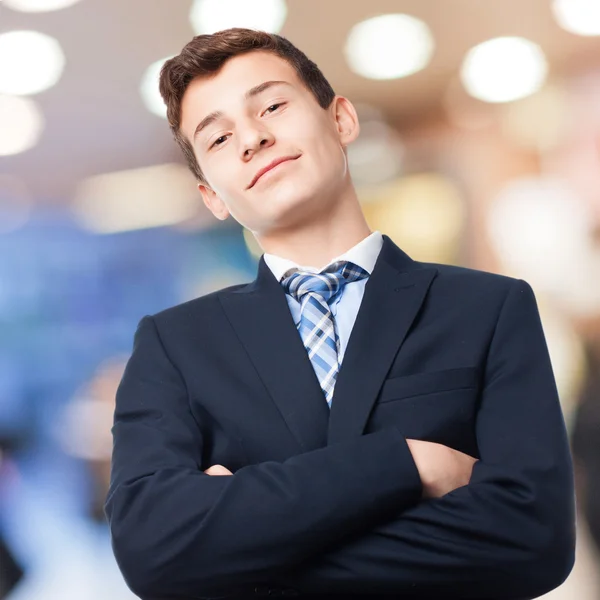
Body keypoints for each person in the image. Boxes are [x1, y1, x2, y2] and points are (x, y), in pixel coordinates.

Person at [105, 27, 576, 600]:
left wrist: (243, 552)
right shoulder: (175, 346)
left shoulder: (488, 308)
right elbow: (154, 553)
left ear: (341, 120)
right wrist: (406, 463)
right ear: (211, 197)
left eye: (272, 105)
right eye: (220, 139)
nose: (252, 138)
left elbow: (535, 539)